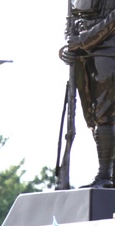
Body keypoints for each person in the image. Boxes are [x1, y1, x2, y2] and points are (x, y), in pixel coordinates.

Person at [62, 0, 115, 187]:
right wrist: (67, 49)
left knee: (104, 116)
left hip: (108, 52)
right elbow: (73, 19)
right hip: (83, 56)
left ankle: (105, 175)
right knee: (93, 118)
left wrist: (83, 41)